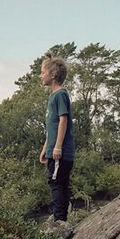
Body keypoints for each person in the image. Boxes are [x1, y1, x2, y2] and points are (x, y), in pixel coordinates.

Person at [39, 53, 75, 221]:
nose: (41, 75)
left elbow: (63, 120)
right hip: (53, 150)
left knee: (56, 183)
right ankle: (61, 218)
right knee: (60, 183)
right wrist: (46, 147)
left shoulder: (60, 95)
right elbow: (52, 126)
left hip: (60, 152)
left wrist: (58, 146)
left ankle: (59, 220)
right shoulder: (53, 96)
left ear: (52, 75)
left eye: (42, 72)